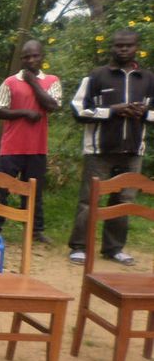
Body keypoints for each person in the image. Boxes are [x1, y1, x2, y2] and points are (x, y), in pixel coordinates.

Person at [67, 29, 154, 266]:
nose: (123, 50)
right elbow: (78, 110)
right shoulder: (96, 76)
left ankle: (114, 248)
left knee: (124, 199)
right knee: (89, 199)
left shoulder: (147, 78)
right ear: (112, 47)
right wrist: (113, 110)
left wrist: (144, 113)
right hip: (100, 150)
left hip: (133, 150)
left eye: (128, 46)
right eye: (118, 46)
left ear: (137, 47)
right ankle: (79, 247)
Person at [0, 39, 62, 243]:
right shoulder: (10, 82)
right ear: (21, 59)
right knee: (1, 187)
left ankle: (35, 231)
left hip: (37, 147)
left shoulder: (52, 81)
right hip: (11, 146)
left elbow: (53, 106)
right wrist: (24, 113)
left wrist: (33, 82)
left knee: (34, 191)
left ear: (42, 56)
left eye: (35, 55)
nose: (31, 60)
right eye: (27, 57)